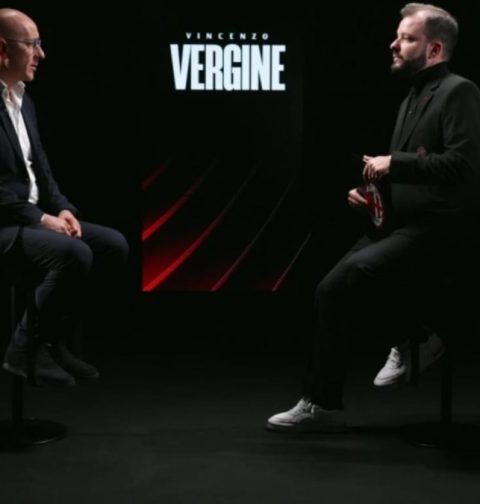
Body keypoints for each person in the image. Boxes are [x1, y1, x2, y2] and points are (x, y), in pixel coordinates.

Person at [267, 3, 480, 432]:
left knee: (356, 275)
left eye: (407, 38)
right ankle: (326, 403)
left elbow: (462, 165)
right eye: (397, 36)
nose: (394, 44)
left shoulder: (459, 91)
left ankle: (416, 339)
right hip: (403, 223)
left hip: (440, 227)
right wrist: (372, 197)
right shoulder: (411, 97)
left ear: (435, 49)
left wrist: (394, 163)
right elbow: (409, 175)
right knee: (330, 289)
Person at [0, 8, 129, 386]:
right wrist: (41, 219)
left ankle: (50, 339)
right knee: (74, 253)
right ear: (3, 50)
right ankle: (23, 349)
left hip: (30, 218)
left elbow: (40, 169)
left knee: (112, 246)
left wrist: (62, 208)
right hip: (5, 224)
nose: (41, 54)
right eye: (33, 44)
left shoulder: (23, 100)